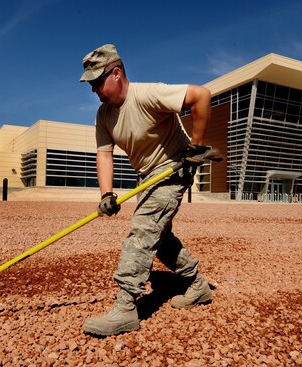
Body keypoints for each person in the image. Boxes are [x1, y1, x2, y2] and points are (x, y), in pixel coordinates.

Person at [79, 44, 213, 337]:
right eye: (91, 85)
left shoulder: (148, 94)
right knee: (160, 238)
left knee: (143, 231)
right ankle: (197, 285)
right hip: (147, 178)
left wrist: (197, 148)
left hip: (172, 170)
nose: (95, 90)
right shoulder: (104, 115)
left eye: (98, 81)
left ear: (116, 74)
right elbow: (104, 153)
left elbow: (202, 96)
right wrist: (106, 194)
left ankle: (126, 307)